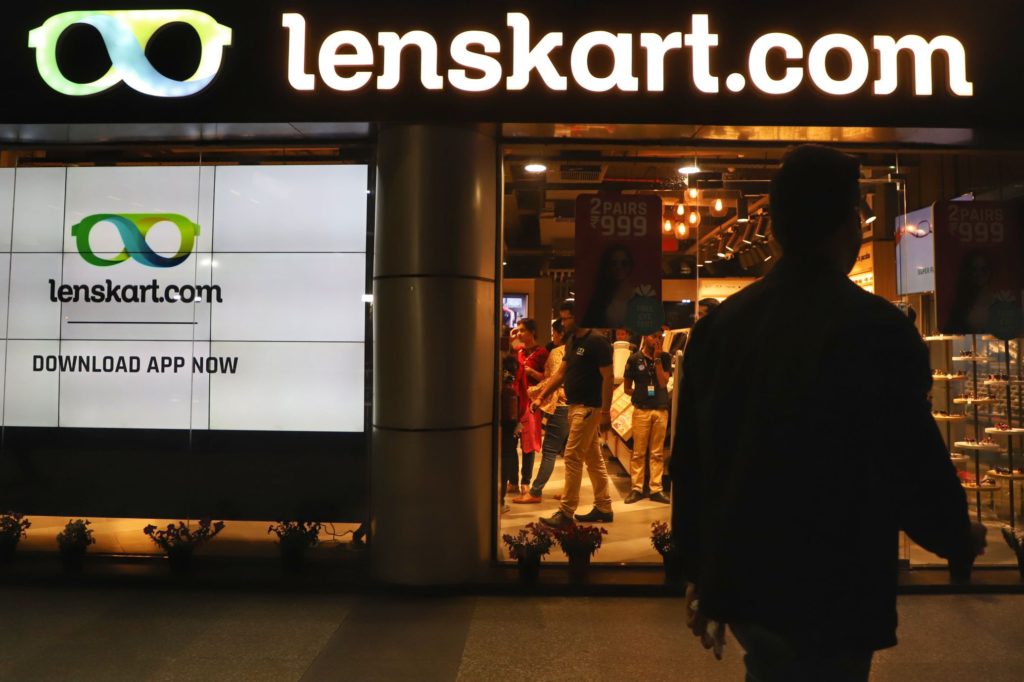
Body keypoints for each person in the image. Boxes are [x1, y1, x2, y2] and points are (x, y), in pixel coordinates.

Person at [671, 144, 985, 681]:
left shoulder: (719, 329)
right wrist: (955, 534)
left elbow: (693, 464)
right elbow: (909, 456)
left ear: (775, 231)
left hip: (748, 572)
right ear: (850, 226)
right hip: (839, 574)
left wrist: (698, 570)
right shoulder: (878, 329)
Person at [533, 300, 615, 527]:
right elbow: (560, 374)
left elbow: (608, 377)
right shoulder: (572, 340)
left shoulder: (597, 341)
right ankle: (604, 506)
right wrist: (541, 396)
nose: (562, 322)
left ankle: (566, 512)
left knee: (571, 456)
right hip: (574, 407)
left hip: (588, 408)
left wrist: (605, 411)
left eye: (565, 318)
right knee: (593, 458)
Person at [516, 319, 568, 503]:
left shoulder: (555, 352)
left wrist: (536, 394)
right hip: (579, 404)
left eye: (554, 333)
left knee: (550, 450)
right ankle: (573, 492)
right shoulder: (576, 350)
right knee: (577, 454)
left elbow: (552, 379)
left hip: (559, 404)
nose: (552, 336)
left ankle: (535, 491)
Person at [622, 330, 672, 504]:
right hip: (641, 411)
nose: (657, 340)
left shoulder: (665, 357)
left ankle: (655, 489)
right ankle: (636, 488)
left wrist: (657, 360)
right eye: (653, 336)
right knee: (638, 453)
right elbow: (627, 388)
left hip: (661, 411)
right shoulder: (634, 359)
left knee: (657, 453)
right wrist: (640, 394)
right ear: (645, 337)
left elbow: (663, 382)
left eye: (659, 336)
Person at [513, 318, 548, 498]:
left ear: (532, 332)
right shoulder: (518, 351)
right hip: (515, 401)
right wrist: (512, 337)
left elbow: (548, 378)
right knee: (511, 443)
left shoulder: (542, 353)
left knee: (528, 444)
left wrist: (531, 372)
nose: (519, 333)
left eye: (522, 330)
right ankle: (512, 481)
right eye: (517, 330)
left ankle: (525, 482)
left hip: (531, 402)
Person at [581, 244, 634, 329]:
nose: (619, 267)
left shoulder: (639, 296)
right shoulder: (599, 299)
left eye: (624, 263)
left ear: (630, 265)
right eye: (614, 263)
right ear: (607, 266)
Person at [499, 353, 521, 514]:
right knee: (506, 460)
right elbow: (512, 417)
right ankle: (500, 501)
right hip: (506, 430)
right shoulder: (509, 392)